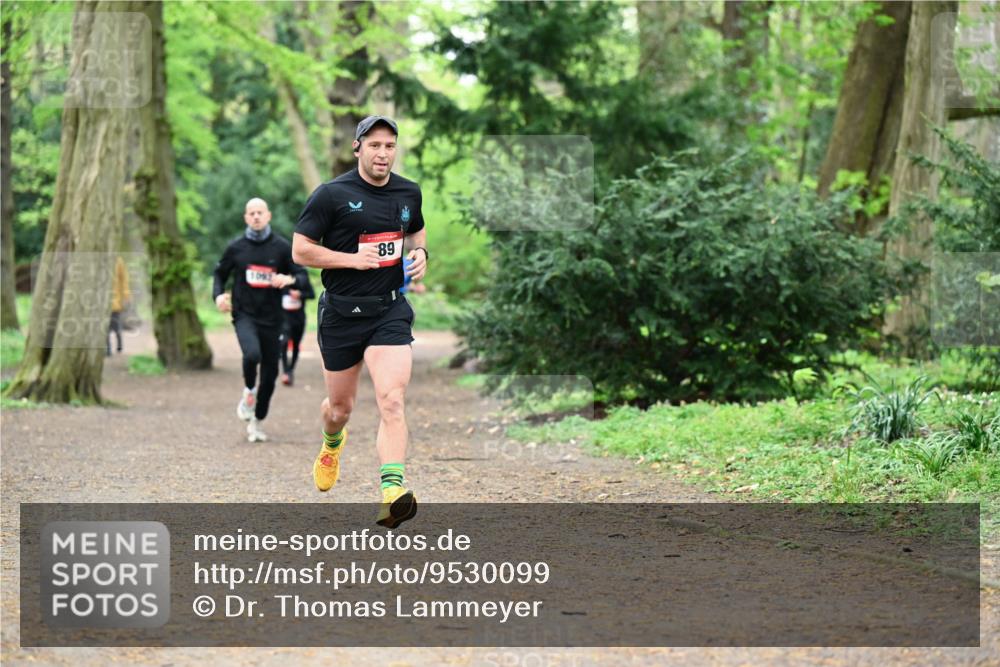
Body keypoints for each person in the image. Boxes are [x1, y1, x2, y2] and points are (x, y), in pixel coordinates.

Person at [293, 115, 427, 528]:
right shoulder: (331, 195)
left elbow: (416, 234)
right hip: (341, 313)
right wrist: (351, 259)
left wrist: (421, 255)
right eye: (374, 146)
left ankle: (392, 491)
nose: (383, 153)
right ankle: (332, 441)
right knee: (340, 407)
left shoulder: (409, 192)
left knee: (392, 399)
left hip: (388, 309)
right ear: (358, 149)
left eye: (389, 146)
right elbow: (301, 250)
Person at [213, 198, 304, 443]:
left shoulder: (282, 247)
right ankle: (248, 391)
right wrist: (219, 295)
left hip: (273, 318)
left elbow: (301, 275)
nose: (255, 217)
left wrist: (289, 279)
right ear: (246, 218)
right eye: (251, 213)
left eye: (259, 212)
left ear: (268, 216)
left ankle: (257, 421)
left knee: (271, 374)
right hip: (244, 314)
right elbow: (219, 275)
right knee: (252, 355)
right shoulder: (236, 248)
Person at [279, 265, 315, 386]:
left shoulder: (302, 277)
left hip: (298, 318)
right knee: (283, 342)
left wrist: (300, 294)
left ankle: (291, 370)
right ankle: (285, 371)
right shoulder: (281, 277)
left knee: (295, 345)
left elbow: (312, 294)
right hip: (284, 318)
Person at [107, 256, 130, 356]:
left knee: (116, 326)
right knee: (105, 328)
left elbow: (124, 280)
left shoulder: (118, 260)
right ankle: (107, 350)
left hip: (116, 301)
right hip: (104, 302)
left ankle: (119, 346)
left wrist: (126, 296)